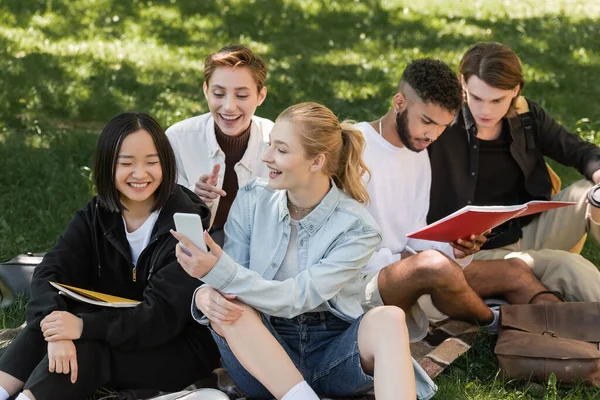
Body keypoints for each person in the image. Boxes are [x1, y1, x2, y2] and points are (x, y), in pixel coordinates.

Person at [172, 102, 436, 400]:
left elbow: (296, 297)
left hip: (332, 357)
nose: (266, 157)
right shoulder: (250, 200)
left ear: (316, 161)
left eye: (281, 150)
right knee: (230, 309)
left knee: (389, 318)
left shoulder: (357, 228)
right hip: (261, 355)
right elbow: (234, 286)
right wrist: (207, 290)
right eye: (270, 145)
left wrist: (216, 271)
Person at [0, 113, 220, 400]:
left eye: (152, 162)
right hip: (113, 327)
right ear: (108, 166)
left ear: (166, 165)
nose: (140, 174)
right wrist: (57, 324)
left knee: (85, 350)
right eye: (127, 163)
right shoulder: (97, 214)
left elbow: (159, 317)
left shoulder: (186, 224)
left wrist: (80, 327)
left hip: (175, 347)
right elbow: (49, 271)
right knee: (43, 327)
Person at [354, 58, 557, 341]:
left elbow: (413, 235)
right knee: (432, 266)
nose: (432, 135)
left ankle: (571, 335)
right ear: (399, 102)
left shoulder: (419, 154)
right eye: (426, 121)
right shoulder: (355, 148)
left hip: (413, 271)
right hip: (361, 286)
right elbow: (336, 249)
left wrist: (457, 250)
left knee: (515, 271)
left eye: (442, 126)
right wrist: (407, 260)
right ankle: (497, 324)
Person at [428, 42, 600, 302]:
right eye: (476, 98)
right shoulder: (439, 127)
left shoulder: (526, 116)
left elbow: (580, 152)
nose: (485, 110)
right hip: (479, 253)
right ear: (463, 85)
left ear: (516, 91)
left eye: (497, 100)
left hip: (530, 229)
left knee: (591, 193)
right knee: (569, 267)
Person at [167, 44, 273, 245]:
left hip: (260, 247)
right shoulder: (178, 138)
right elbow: (158, 208)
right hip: (195, 245)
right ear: (206, 91)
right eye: (218, 94)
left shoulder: (276, 141)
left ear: (261, 96)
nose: (229, 107)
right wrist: (192, 196)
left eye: (241, 95)